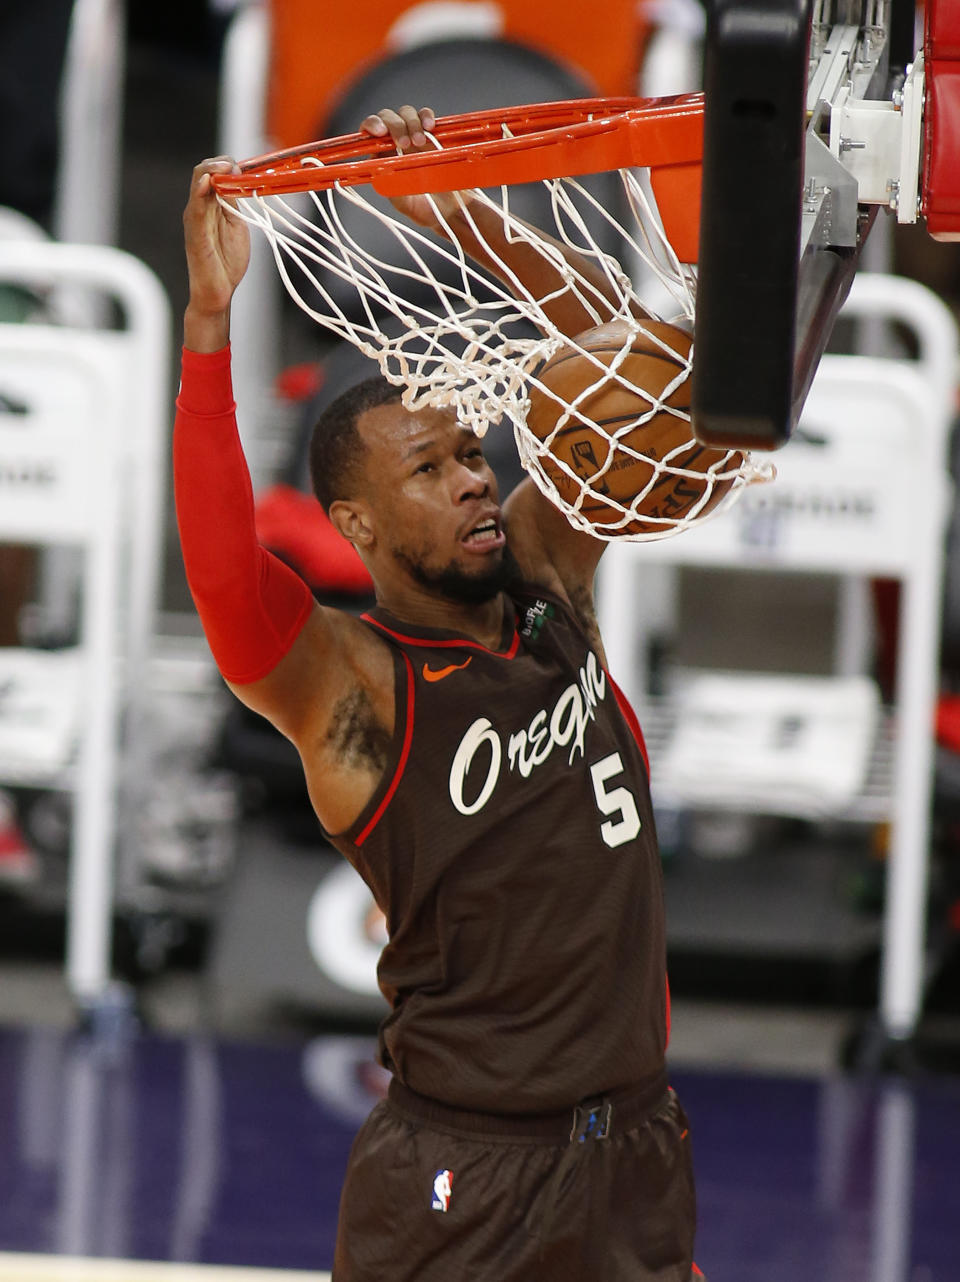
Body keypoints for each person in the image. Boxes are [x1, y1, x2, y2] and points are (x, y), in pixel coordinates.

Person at [174, 105, 703, 1282]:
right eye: (432, 469)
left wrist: (466, 208)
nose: (475, 480)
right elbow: (220, 574)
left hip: (635, 1156)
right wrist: (209, 327)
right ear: (352, 522)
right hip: (464, 1180)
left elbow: (642, 360)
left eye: (472, 453)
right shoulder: (349, 689)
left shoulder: (547, 568)